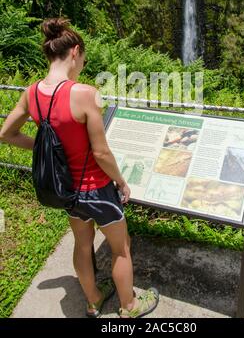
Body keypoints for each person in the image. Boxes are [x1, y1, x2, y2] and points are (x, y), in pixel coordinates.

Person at [0, 17, 159, 318]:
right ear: (74, 52)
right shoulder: (85, 94)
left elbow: (6, 133)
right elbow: (100, 151)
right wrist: (122, 182)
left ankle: (93, 300)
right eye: (83, 59)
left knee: (82, 245)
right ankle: (129, 305)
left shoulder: (31, 93)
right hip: (97, 188)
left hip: (67, 191)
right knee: (121, 247)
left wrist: (45, 148)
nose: (82, 65)